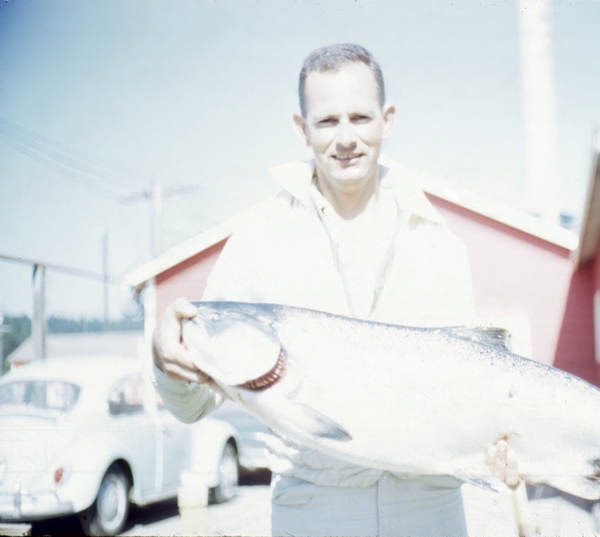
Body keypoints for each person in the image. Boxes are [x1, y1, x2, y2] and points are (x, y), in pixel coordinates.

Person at [152, 43, 477, 536]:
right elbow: (192, 405)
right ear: (301, 128)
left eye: (360, 118)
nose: (346, 138)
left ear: (387, 120)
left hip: (430, 512)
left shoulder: (439, 244)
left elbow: (468, 393)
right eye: (327, 122)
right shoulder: (258, 239)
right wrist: (165, 361)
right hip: (314, 513)